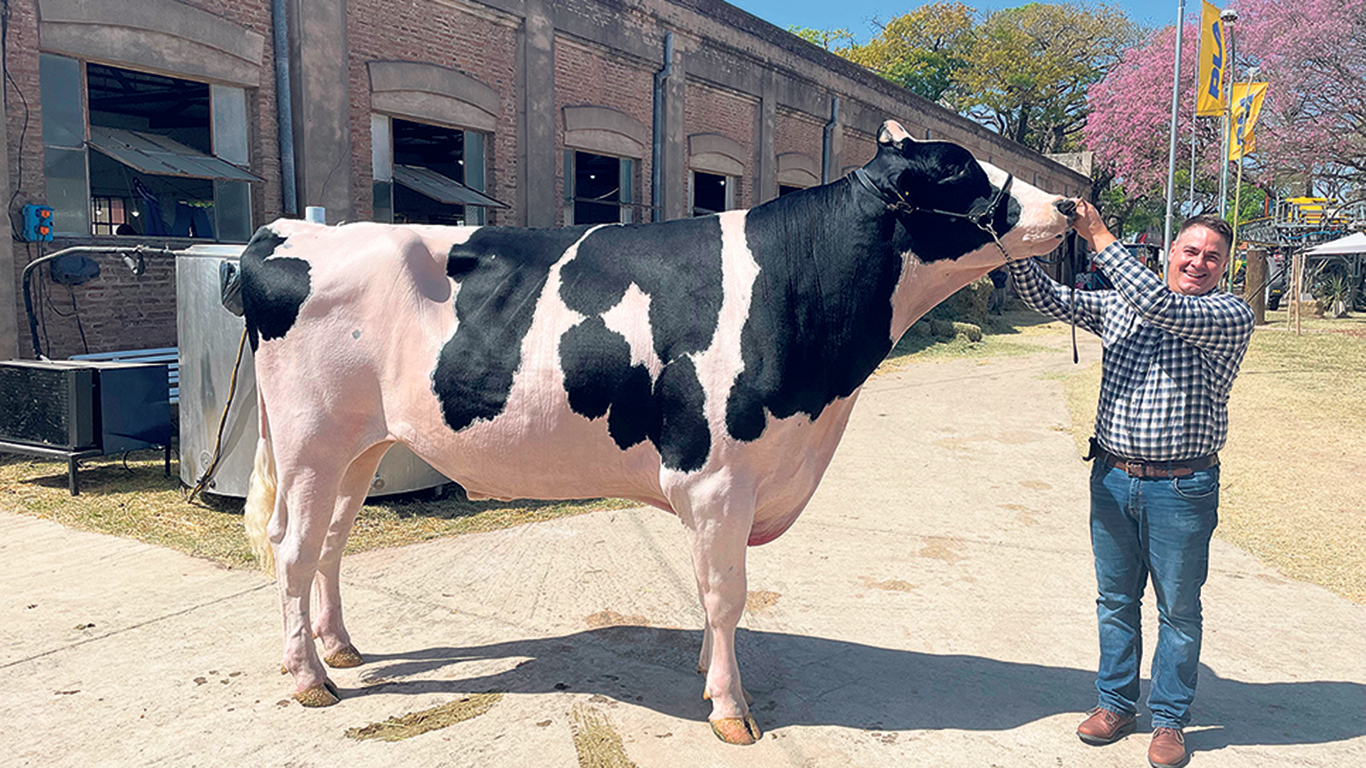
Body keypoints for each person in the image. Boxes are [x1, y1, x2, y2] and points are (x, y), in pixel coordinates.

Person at [1008, 204, 1255, 768]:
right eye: (1189, 251)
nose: (1198, 262)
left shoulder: (1228, 315)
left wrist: (1096, 232)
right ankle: (1115, 704)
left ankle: (1169, 721)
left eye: (1211, 256)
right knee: (1116, 601)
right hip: (1113, 477)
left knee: (1178, 609)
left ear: (1224, 266)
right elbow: (1052, 300)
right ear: (1170, 252)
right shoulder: (1122, 303)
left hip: (1182, 487)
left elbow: (1157, 303)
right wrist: (1021, 246)